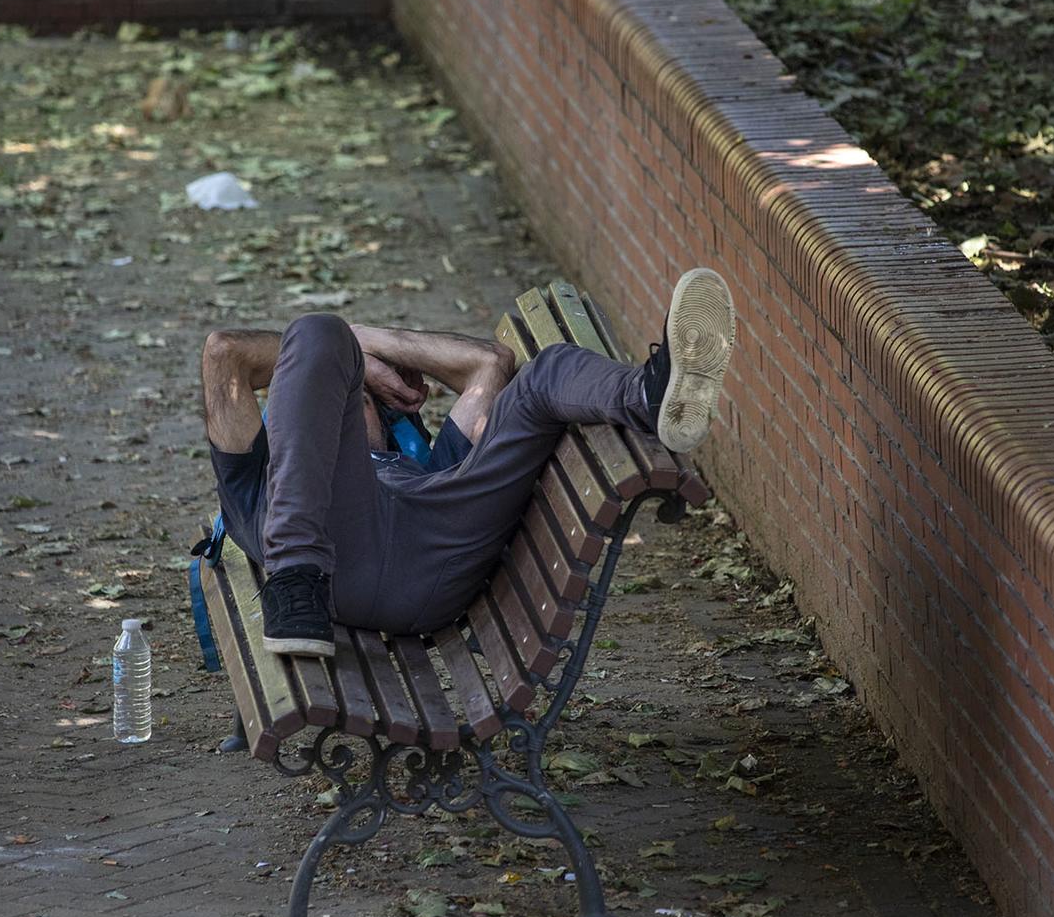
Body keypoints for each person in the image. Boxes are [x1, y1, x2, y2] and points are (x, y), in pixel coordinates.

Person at [200, 267, 736, 655]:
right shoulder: (258, 481)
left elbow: (489, 362)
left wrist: (364, 345)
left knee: (546, 371)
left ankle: (650, 396)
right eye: (340, 394)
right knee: (317, 329)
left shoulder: (432, 464)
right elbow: (225, 352)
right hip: (326, 567)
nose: (343, 403)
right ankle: (296, 582)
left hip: (435, 550)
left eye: (355, 396)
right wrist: (348, 347)